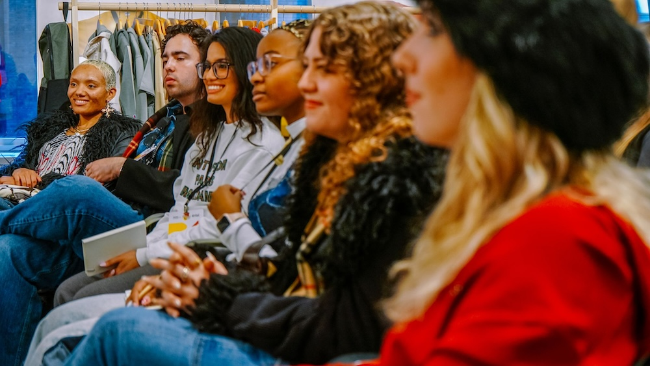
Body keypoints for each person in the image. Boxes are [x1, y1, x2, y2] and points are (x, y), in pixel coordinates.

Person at [61, 2, 449, 365]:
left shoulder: (383, 175)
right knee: (60, 299)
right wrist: (209, 283)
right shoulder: (320, 156)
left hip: (281, 329)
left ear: (372, 77)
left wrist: (212, 290)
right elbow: (276, 263)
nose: (307, 83)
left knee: (101, 322)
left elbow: (339, 317)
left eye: (323, 69)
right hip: (241, 290)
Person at [363, 0, 650, 364]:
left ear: (514, 67)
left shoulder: (555, 237)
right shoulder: (527, 214)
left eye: (433, 29)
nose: (401, 57)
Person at [23, 19, 313, 365]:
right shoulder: (200, 131)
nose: (210, 75)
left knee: (77, 193)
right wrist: (145, 249)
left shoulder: (269, 146)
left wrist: (147, 255)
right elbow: (182, 206)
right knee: (29, 255)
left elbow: (227, 234)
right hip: (177, 246)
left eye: (221, 66)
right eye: (208, 66)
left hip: (210, 266)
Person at [52, 21, 210, 306]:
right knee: (14, 251)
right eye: (164, 59)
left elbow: (185, 189)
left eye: (180, 58)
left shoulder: (207, 123)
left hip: (152, 222)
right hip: (135, 213)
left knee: (78, 188)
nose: (168, 66)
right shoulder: (167, 118)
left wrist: (121, 168)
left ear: (205, 66)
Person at [0, 60, 140, 191]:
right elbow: (18, 165)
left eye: (91, 86)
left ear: (110, 93)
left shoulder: (121, 133)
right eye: (73, 84)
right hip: (21, 201)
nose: (78, 92)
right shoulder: (47, 128)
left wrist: (35, 184)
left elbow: (101, 188)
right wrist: (19, 171)